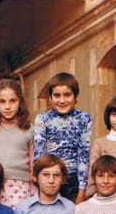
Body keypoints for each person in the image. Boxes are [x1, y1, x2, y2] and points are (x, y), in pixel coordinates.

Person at [32, 72, 92, 203]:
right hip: (49, 178)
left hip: (73, 181)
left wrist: (82, 191)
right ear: (50, 98)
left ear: (75, 97)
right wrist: (40, 184)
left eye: (67, 95)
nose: (62, 100)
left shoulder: (84, 118)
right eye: (57, 95)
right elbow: (39, 154)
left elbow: (84, 154)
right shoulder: (42, 119)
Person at [0, 79, 33, 208]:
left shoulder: (29, 129)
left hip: (22, 187)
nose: (7, 107)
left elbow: (33, 163)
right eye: (2, 102)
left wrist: (34, 190)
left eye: (12, 101)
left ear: (20, 102)